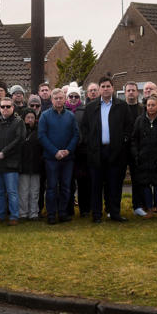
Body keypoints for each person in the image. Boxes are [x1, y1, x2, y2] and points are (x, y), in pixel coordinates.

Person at [81, 76, 133, 223]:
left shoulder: (122, 106)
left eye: (108, 86)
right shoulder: (91, 107)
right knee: (96, 185)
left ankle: (115, 213)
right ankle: (96, 214)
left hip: (116, 152)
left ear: (113, 88)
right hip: (96, 152)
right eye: (103, 86)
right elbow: (84, 128)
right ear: (99, 89)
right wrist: (90, 144)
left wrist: (123, 142)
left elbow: (129, 127)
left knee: (114, 184)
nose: (105, 89)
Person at [38, 88, 79, 224]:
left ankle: (62, 213)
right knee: (51, 187)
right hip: (51, 158)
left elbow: (76, 135)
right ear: (52, 100)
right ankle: (51, 214)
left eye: (61, 98)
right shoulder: (45, 116)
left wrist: (68, 150)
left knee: (66, 187)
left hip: (68, 158)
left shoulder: (70, 116)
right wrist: (55, 152)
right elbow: (42, 136)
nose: (58, 100)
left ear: (64, 99)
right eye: (56, 98)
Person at [0, 96, 25, 225]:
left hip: (11, 163)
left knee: (12, 192)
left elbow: (19, 140)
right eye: (3, 106)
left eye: (8, 106)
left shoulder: (18, 122)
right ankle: (0, 215)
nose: (5, 109)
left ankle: (14, 216)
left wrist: (4, 152)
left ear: (13, 108)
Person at [130, 95, 157, 218]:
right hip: (143, 159)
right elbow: (134, 139)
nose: (150, 107)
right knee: (145, 185)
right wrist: (136, 154)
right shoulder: (140, 120)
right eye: (148, 105)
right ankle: (149, 209)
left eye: (153, 105)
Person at [64, 83, 90, 217]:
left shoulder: (85, 111)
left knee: (83, 182)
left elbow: (87, 129)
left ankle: (84, 209)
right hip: (67, 152)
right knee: (68, 182)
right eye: (71, 96)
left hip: (81, 152)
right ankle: (68, 209)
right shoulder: (62, 110)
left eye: (76, 96)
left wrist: (81, 142)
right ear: (67, 97)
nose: (73, 98)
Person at [124, 82, 145, 216]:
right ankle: (113, 207)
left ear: (137, 92)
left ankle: (137, 206)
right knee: (117, 178)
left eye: (133, 90)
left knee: (138, 178)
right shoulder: (119, 108)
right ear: (125, 93)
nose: (131, 92)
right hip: (122, 148)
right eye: (128, 90)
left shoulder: (143, 109)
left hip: (138, 148)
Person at [18, 110, 42, 220]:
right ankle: (23, 213)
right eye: (28, 117)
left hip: (36, 165)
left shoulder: (39, 131)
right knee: (23, 191)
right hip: (23, 166)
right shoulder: (20, 131)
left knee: (35, 191)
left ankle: (34, 213)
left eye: (32, 117)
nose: (30, 120)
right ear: (24, 118)